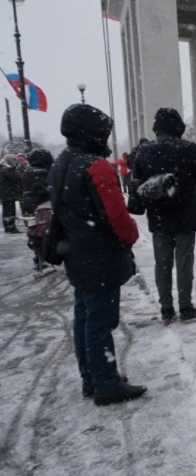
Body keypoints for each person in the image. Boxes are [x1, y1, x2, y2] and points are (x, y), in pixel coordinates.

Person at [48, 104, 147, 406]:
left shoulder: (62, 163)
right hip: (100, 257)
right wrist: (132, 234)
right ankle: (106, 383)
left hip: (77, 254)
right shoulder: (97, 166)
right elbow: (115, 216)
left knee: (84, 317)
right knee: (101, 322)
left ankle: (91, 378)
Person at [131, 108, 196, 325]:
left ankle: (166, 309)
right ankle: (185, 307)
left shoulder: (144, 150)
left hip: (157, 214)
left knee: (162, 263)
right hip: (184, 212)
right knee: (184, 261)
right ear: (178, 127)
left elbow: (137, 180)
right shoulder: (188, 148)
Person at [21, 148, 53, 216]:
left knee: (32, 223)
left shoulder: (28, 170)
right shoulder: (41, 172)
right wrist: (52, 190)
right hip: (39, 203)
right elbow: (39, 188)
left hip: (27, 201)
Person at [1, 155, 22, 233]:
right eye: (14, 160)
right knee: (10, 211)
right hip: (9, 193)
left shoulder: (3, 168)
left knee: (6, 211)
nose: (15, 161)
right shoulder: (7, 169)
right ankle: (11, 227)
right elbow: (16, 178)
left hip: (5, 193)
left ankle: (8, 226)